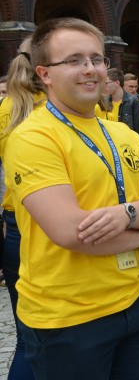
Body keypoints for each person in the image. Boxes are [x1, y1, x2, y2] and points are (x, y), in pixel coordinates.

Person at [4, 17, 139, 379]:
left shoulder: (121, 133)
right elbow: (72, 233)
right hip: (69, 319)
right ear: (44, 73)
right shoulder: (34, 136)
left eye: (96, 59)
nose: (90, 69)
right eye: (74, 60)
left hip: (138, 304)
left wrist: (125, 214)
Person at [0, 37, 41, 380]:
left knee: (26, 337)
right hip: (53, 223)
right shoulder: (61, 106)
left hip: (14, 221)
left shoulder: (6, 107)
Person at [104, 68, 139, 142]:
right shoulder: (104, 102)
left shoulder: (133, 102)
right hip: (109, 144)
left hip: (127, 144)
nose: (104, 86)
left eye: (106, 83)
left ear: (117, 83)